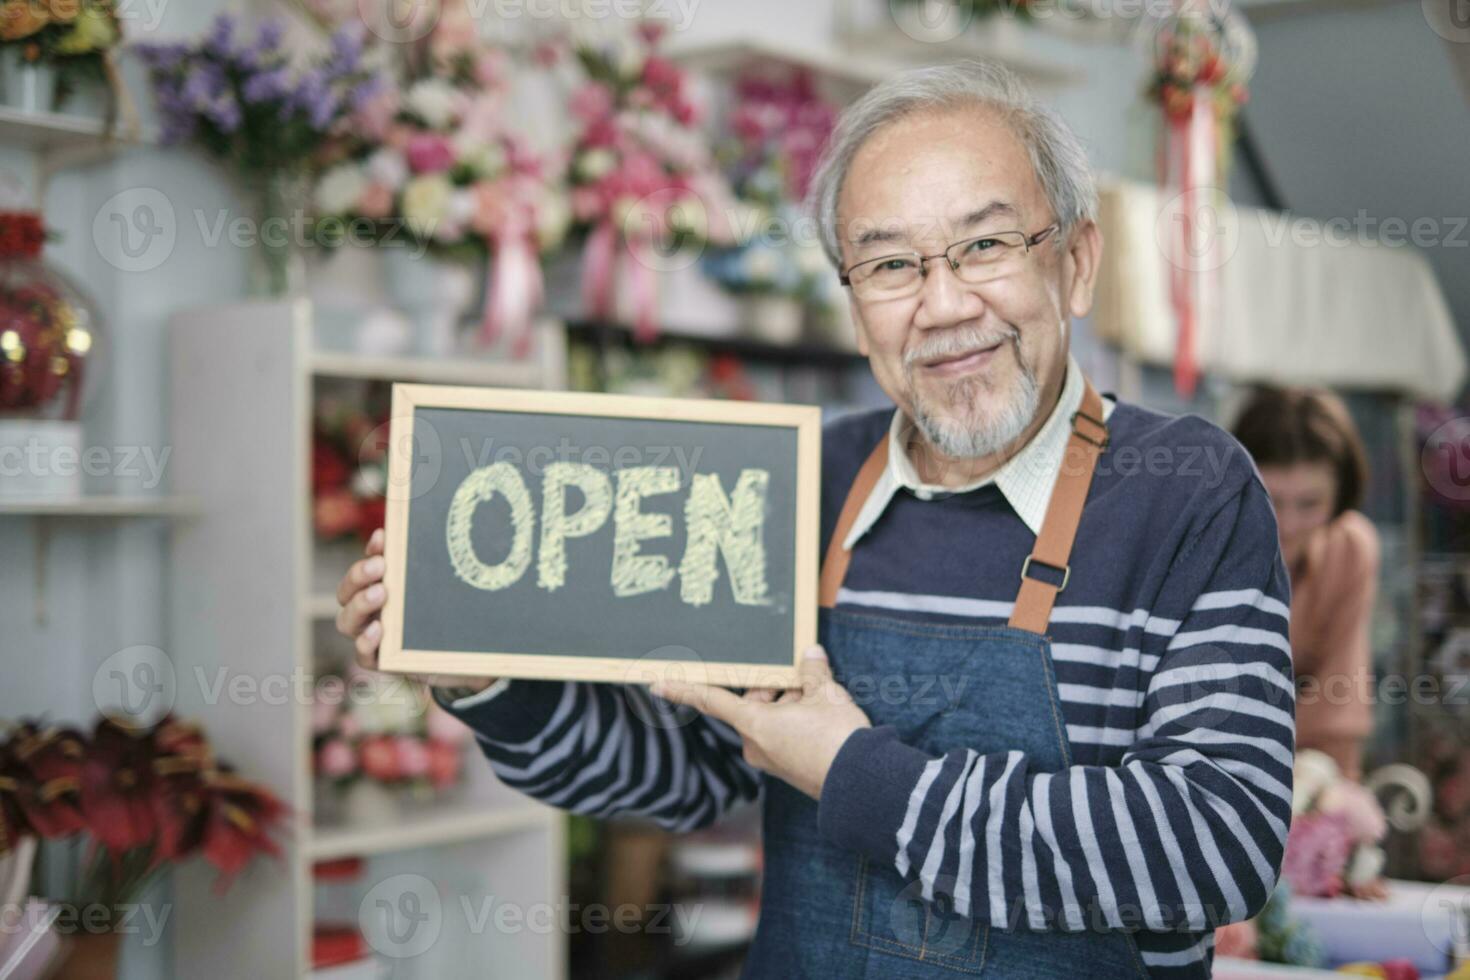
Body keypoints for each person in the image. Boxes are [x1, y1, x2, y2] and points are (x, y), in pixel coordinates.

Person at [338, 61, 1293, 978]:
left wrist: (856, 776)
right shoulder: (805, 475)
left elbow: (1217, 842)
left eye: (987, 245)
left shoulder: (1188, 492)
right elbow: (686, 773)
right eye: (889, 264)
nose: (944, 303)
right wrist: (487, 683)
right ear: (853, 301)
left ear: (1076, 263)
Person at [1234, 386, 1379, 780]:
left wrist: (1332, 805)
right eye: (1272, 500)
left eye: (1310, 504)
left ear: (1339, 495)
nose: (1290, 524)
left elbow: (1342, 690)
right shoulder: (1207, 546)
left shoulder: (1351, 549)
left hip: (1307, 771)